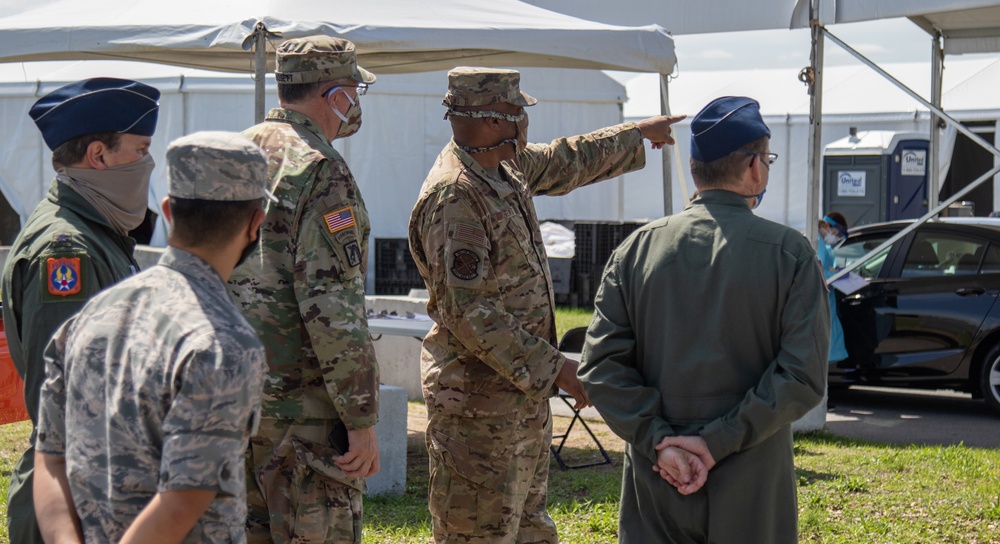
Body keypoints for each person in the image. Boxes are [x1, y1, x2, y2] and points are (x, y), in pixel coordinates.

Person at [408, 66, 683, 544]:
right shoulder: (456, 195)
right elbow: (471, 314)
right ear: (494, 119)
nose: (525, 120)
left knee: (529, 528)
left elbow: (566, 159)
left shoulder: (502, 166)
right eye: (518, 110)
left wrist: (637, 133)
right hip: (477, 411)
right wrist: (556, 366)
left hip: (517, 400)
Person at [578, 96, 829, 543]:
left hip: (657, 479)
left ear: (695, 169)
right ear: (754, 167)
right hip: (752, 481)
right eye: (767, 159)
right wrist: (716, 442)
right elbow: (802, 375)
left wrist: (661, 440)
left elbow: (600, 368)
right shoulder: (790, 253)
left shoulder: (635, 251)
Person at [32, 131, 270, 543]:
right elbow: (182, 502)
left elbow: (50, 459)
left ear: (168, 212)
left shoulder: (92, 315)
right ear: (256, 224)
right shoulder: (223, 344)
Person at [228, 35, 380, 544]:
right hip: (301, 411)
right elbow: (332, 309)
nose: (356, 104)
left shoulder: (235, 152)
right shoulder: (321, 168)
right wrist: (361, 418)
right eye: (354, 90)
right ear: (336, 94)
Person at [1, 77, 159, 544]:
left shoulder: (95, 232)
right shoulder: (67, 251)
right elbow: (68, 402)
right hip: (77, 500)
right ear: (99, 155)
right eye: (140, 148)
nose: (148, 162)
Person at [819, 212, 850, 363]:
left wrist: (838, 272)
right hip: (820, 300)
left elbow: (827, 267)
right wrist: (839, 276)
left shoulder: (824, 245)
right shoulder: (816, 242)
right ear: (826, 226)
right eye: (836, 233)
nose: (835, 238)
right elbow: (817, 271)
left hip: (826, 300)